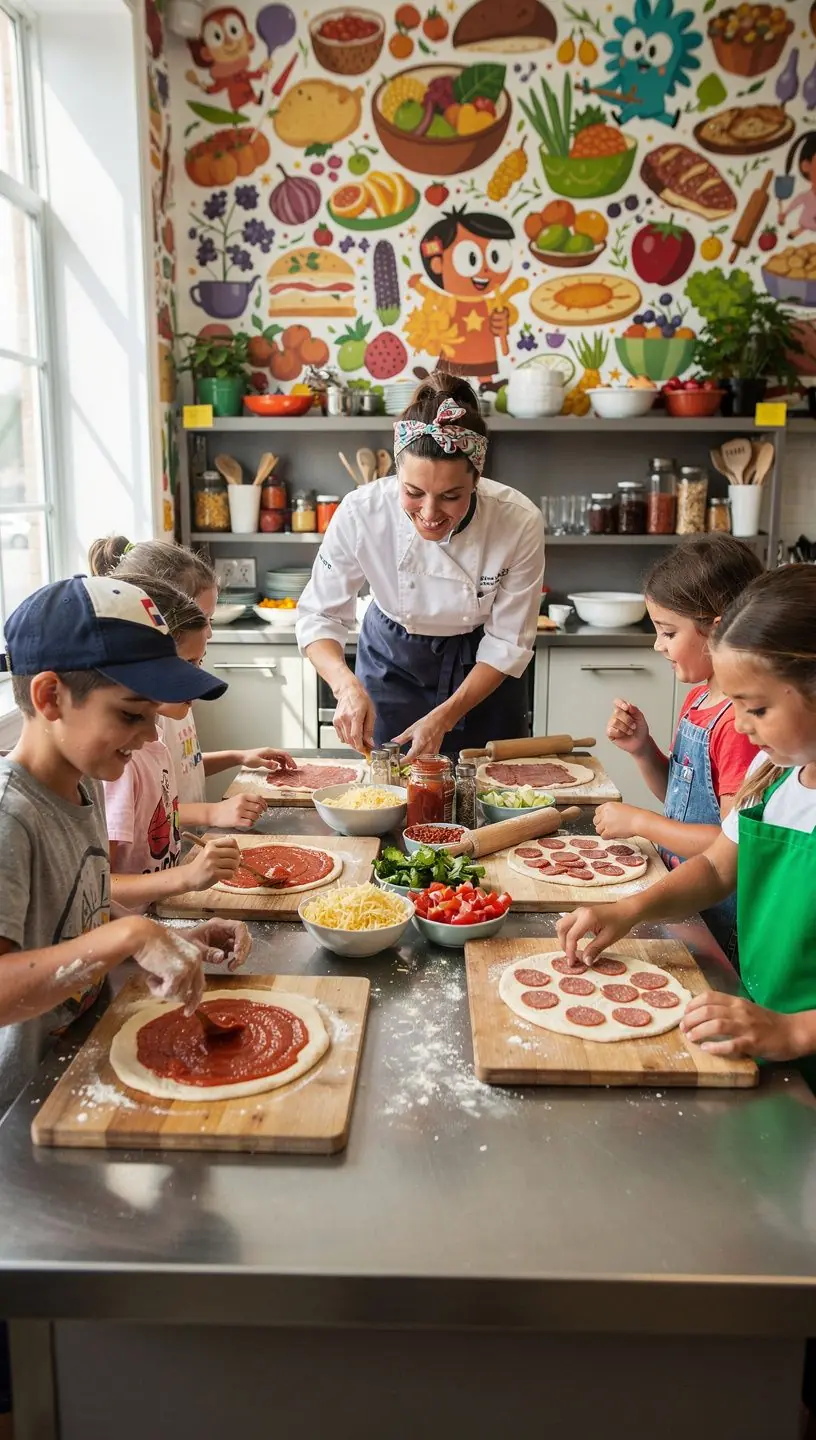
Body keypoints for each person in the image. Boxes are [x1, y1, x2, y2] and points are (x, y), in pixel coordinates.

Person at [0, 574, 251, 1115]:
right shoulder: (9, 817)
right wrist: (132, 933)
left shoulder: (83, 782)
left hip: (79, 1061)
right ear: (50, 697)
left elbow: (80, 909)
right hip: (23, 1107)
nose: (151, 737)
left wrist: (166, 935)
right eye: (131, 714)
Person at [556, 565, 816, 1076]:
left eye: (757, 708)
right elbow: (719, 869)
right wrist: (631, 909)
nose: (739, 725)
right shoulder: (774, 773)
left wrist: (796, 1030)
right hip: (763, 1030)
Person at [295, 374, 546, 761]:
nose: (429, 514)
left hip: (482, 671)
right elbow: (319, 615)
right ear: (397, 473)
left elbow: (508, 641)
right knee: (391, 792)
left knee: (490, 790)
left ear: (477, 479)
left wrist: (445, 717)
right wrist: (345, 686)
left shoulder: (517, 520)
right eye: (413, 493)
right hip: (391, 662)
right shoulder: (361, 512)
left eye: (451, 496)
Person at [594, 535, 762, 959]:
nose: (657, 645)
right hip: (682, 900)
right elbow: (680, 796)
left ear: (719, 630)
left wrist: (640, 822)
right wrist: (643, 750)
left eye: (668, 632)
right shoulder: (700, 699)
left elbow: (726, 844)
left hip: (718, 918)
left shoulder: (741, 728)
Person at [89, 536, 295, 821]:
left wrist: (238, 757)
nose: (209, 632)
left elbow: (185, 766)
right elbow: (140, 812)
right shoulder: (145, 717)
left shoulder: (176, 700)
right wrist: (212, 813)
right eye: (202, 617)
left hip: (182, 853)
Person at [102, 573, 241, 909]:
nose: (194, 681)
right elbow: (100, 884)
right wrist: (187, 877)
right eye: (187, 664)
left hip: (157, 914)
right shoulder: (119, 764)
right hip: (135, 934)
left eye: (199, 663)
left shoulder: (155, 738)